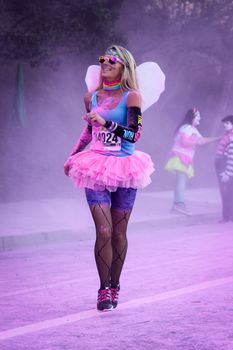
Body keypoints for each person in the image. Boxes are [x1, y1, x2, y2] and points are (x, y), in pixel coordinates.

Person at [64, 45, 154, 311]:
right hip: (95, 167)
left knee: (118, 233)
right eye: (102, 59)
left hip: (126, 168)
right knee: (103, 230)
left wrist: (106, 123)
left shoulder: (132, 96)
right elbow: (88, 131)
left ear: (123, 66)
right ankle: (104, 290)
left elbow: (134, 135)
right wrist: (72, 156)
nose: (104, 63)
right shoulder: (92, 97)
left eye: (111, 60)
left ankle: (116, 284)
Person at [165, 108, 219, 215]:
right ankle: (179, 205)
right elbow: (185, 142)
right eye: (198, 116)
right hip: (181, 156)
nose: (200, 118)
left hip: (184, 157)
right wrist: (195, 140)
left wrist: (217, 138)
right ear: (192, 117)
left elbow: (201, 141)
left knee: (182, 181)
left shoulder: (192, 129)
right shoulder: (187, 128)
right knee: (181, 181)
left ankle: (177, 205)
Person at [215, 115, 233, 223]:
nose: (225, 126)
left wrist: (228, 173)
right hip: (224, 164)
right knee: (228, 192)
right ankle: (228, 216)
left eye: (227, 124)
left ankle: (226, 216)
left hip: (226, 165)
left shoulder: (232, 136)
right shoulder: (228, 135)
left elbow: (232, 156)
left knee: (226, 192)